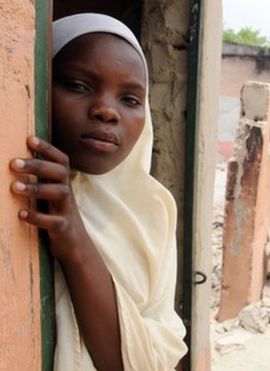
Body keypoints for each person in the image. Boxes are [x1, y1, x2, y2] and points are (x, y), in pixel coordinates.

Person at [8, 13, 187, 370]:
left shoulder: (153, 210)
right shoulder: (16, 182)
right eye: (77, 85)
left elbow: (154, 358)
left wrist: (75, 243)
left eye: (131, 99)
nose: (107, 111)